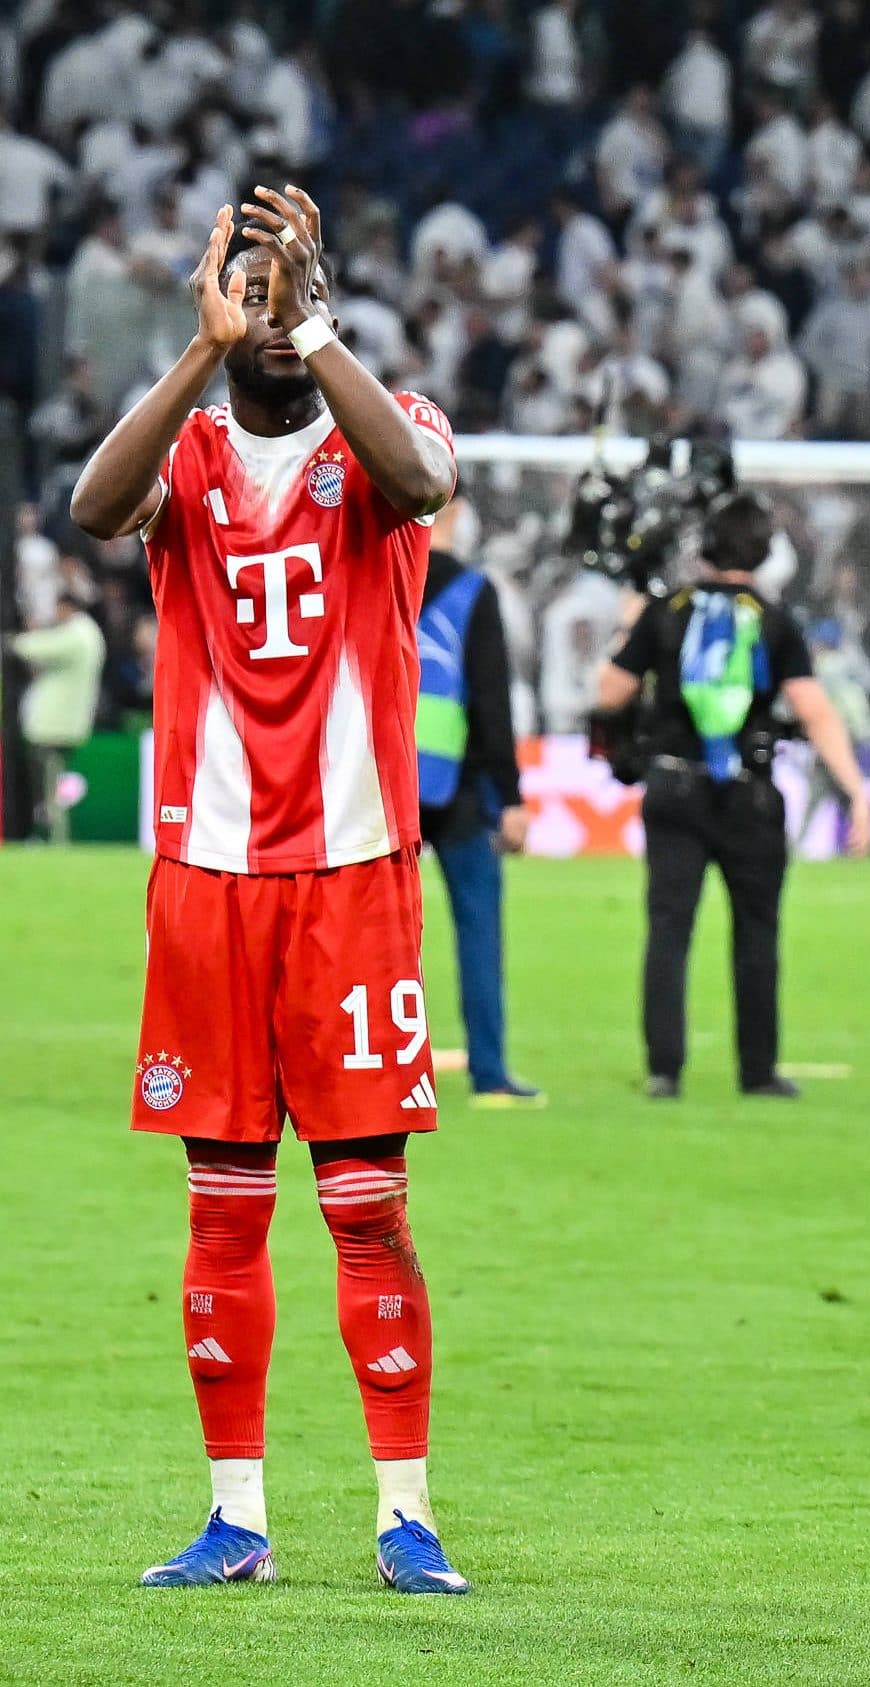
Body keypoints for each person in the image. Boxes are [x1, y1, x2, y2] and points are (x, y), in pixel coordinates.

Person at [71, 190, 469, 1594]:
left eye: (292, 284)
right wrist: (202, 348)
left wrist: (315, 321)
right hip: (209, 880)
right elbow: (91, 509)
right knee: (223, 1207)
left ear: (328, 297)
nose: (272, 309)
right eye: (250, 288)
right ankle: (235, 1515)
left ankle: (405, 1514)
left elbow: (421, 490)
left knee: (368, 1205)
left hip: (354, 877)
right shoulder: (182, 449)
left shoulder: (389, 425)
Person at [597, 492, 870, 1100]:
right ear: (765, 553)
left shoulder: (667, 610)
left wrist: (628, 625)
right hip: (749, 793)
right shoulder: (774, 620)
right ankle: (758, 1070)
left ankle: (665, 1069)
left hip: (674, 783)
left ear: (704, 549)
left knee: (669, 930)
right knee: (756, 932)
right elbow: (813, 709)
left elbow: (610, 691)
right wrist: (855, 790)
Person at [415, 503, 541, 1105]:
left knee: (373, 936)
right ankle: (489, 1071)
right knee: (478, 927)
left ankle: (359, 1063)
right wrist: (510, 798)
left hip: (378, 784)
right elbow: (492, 701)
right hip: (458, 786)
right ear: (458, 511)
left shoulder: (373, 577)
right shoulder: (472, 591)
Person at [8, 582, 103, 842]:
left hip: (54, 726)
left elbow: (38, 647)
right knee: (53, 786)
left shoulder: (78, 634)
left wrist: (13, 640)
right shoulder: (90, 633)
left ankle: (55, 839)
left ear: (66, 607)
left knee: (50, 789)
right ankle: (52, 836)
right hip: (68, 723)